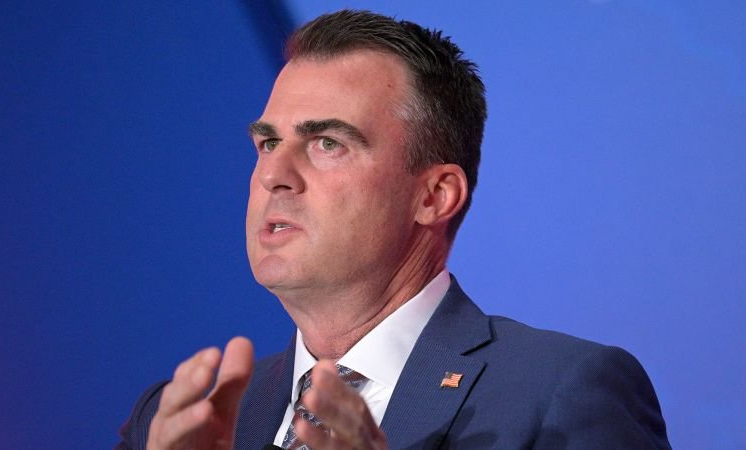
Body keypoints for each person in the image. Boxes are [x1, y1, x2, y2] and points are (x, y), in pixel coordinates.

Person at [117, 10, 670, 450]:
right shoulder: (180, 424)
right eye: (268, 143)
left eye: (326, 143)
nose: (273, 175)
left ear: (434, 196)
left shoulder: (560, 393)